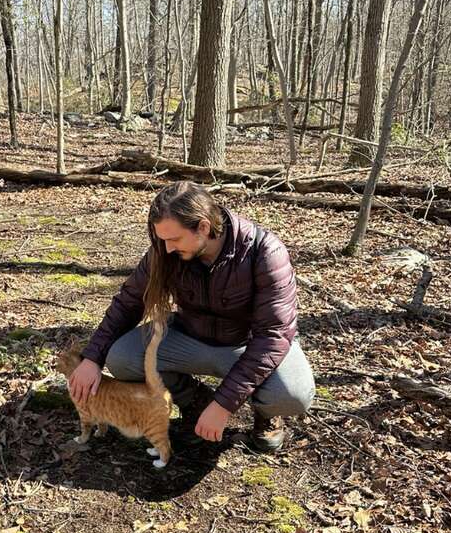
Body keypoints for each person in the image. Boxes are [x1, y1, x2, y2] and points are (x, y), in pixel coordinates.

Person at [67, 181, 315, 453]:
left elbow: (273, 336)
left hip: (247, 344)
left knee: (293, 394)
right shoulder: (166, 251)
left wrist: (224, 405)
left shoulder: (264, 252)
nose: (168, 248)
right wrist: (92, 358)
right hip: (190, 336)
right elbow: (128, 302)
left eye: (174, 239)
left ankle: (266, 414)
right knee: (122, 358)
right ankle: (195, 401)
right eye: (163, 240)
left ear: (204, 227)